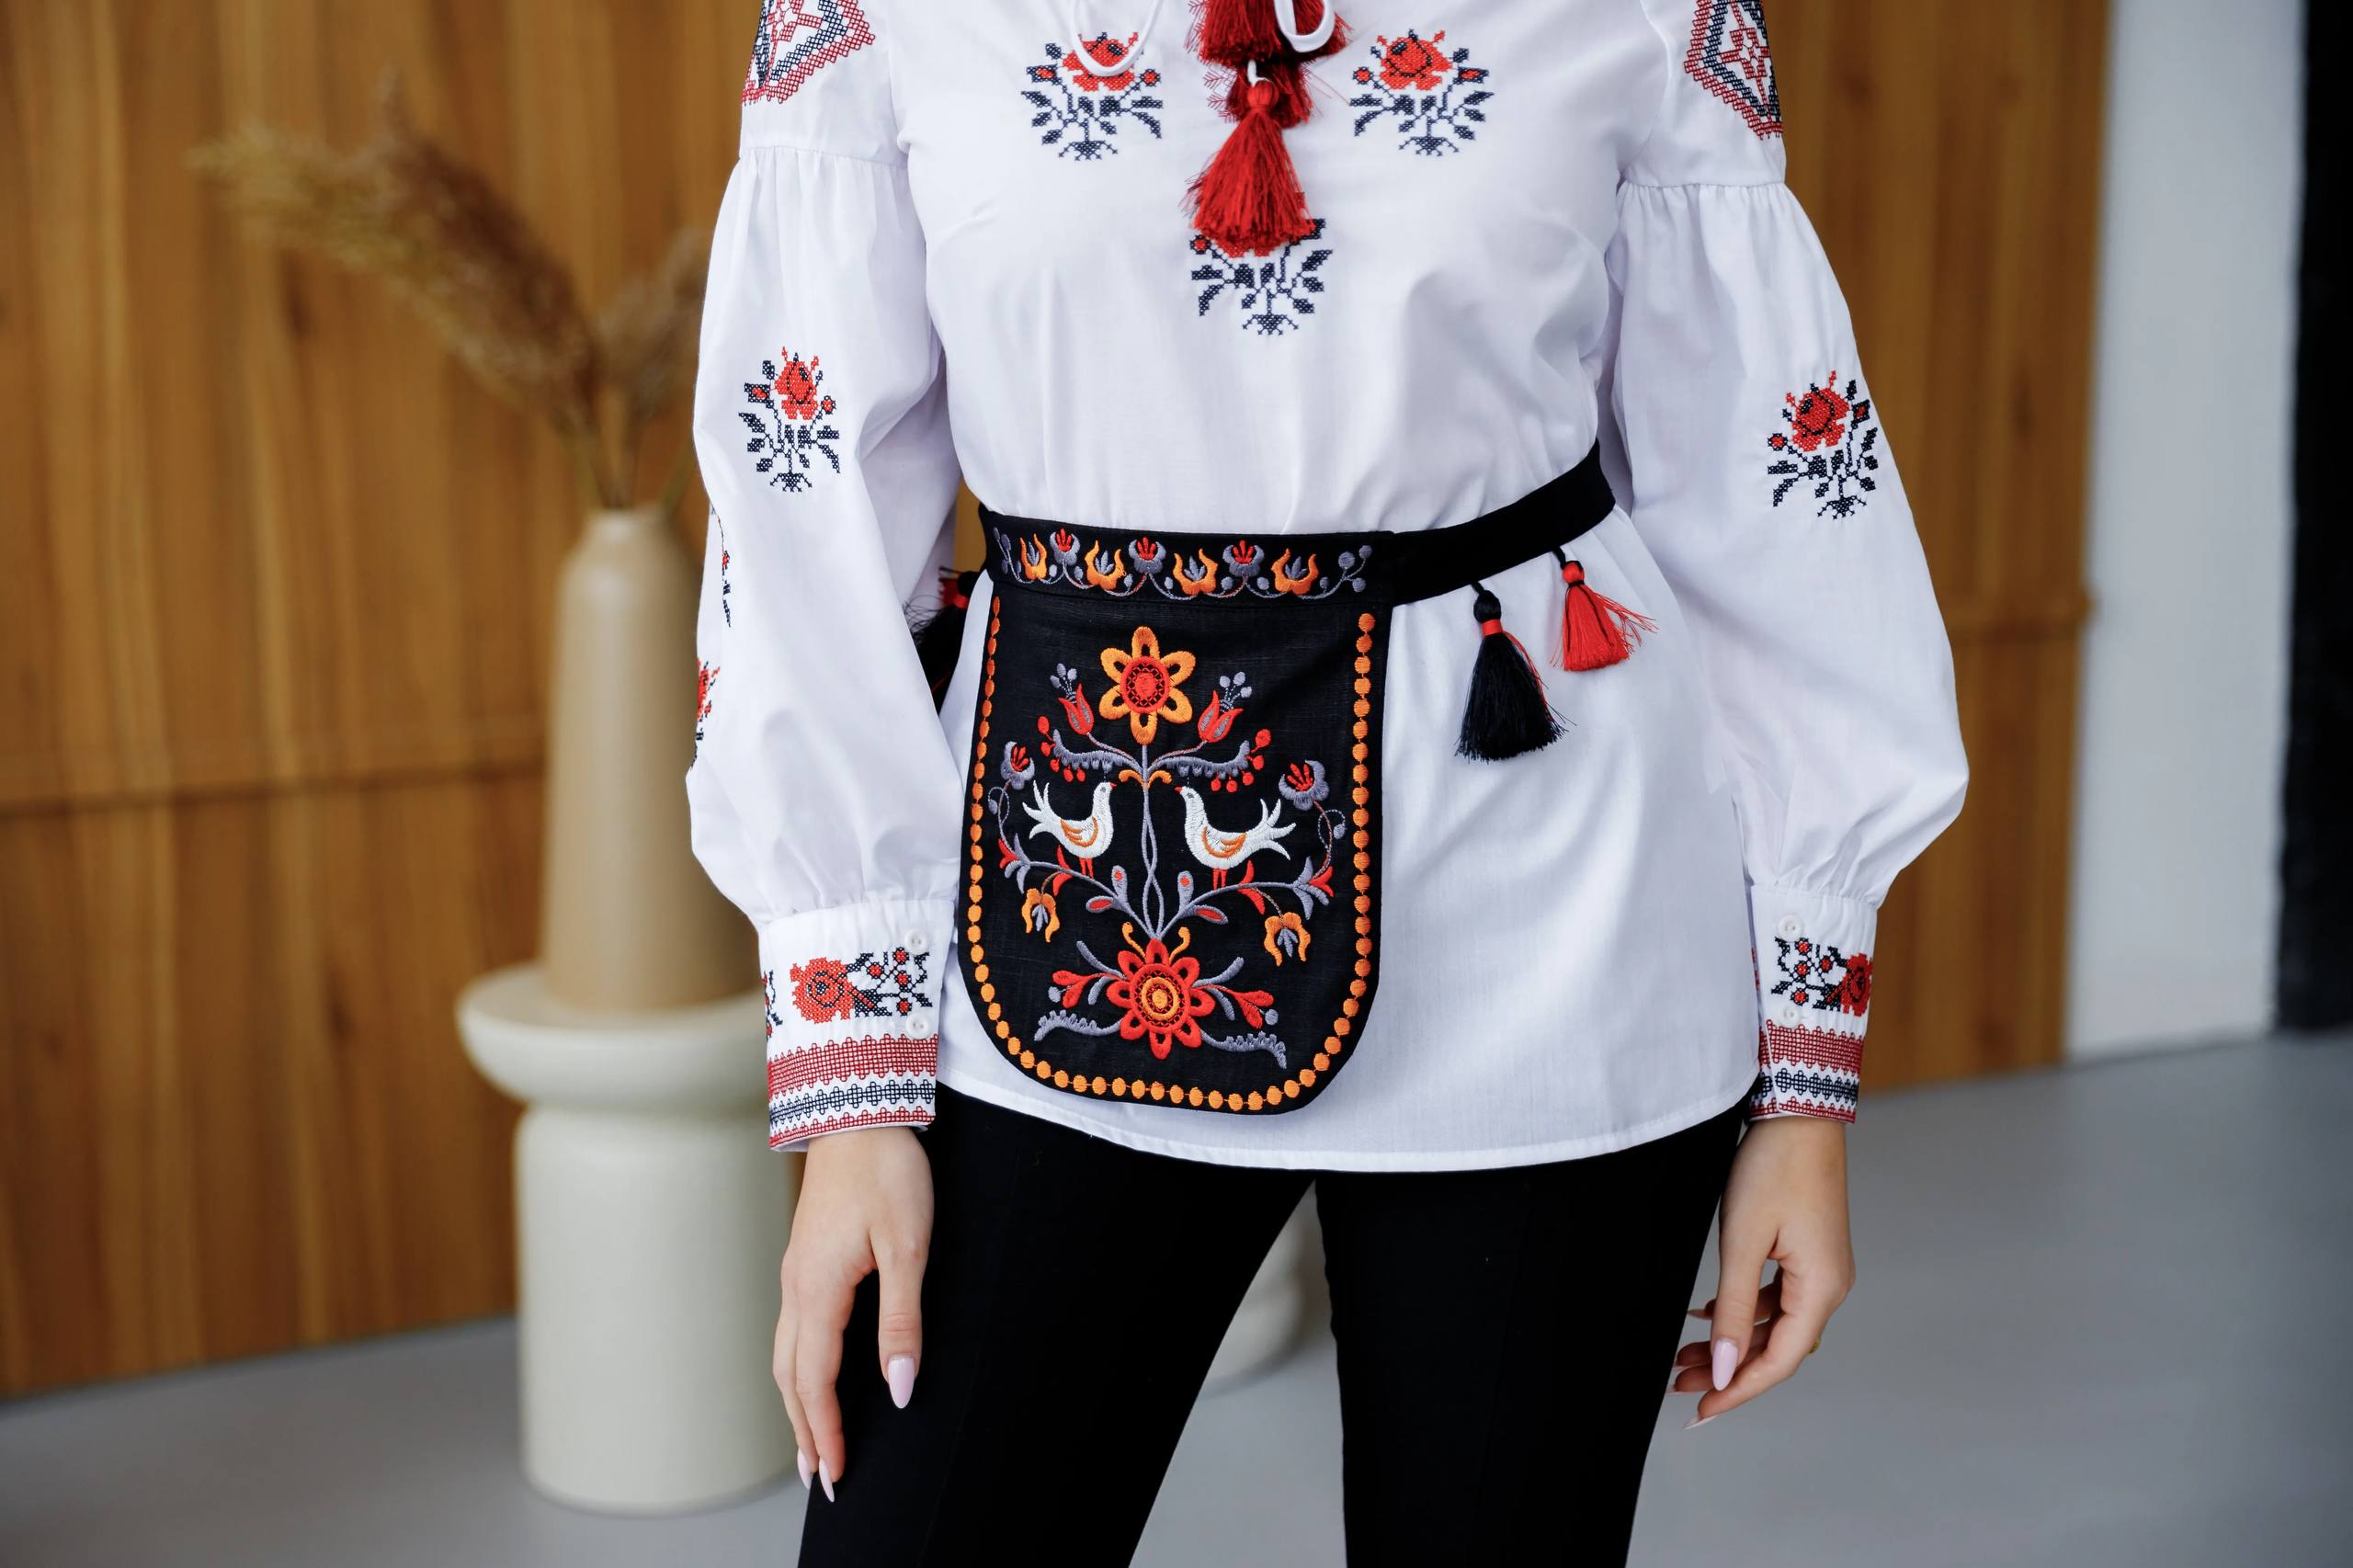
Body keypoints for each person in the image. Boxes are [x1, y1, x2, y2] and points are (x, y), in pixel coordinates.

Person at [687, 1, 1965, 1562]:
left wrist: (1802, 1086)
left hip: (1556, 930)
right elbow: (807, 517)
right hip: (1054, 912)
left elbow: (1771, 498)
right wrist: (854, 1094)